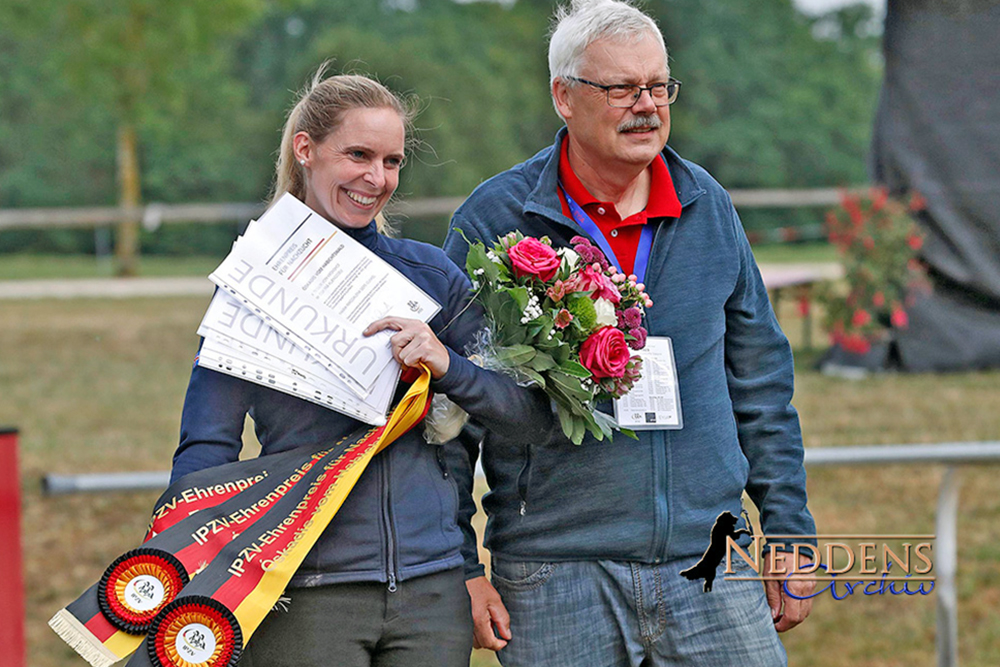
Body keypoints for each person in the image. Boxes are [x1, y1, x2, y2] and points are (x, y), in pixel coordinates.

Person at [443, 1, 817, 665]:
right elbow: (450, 407)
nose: (646, 105)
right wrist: (459, 563)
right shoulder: (495, 219)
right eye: (620, 88)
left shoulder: (709, 207)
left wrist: (788, 528)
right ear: (563, 96)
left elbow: (760, 378)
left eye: (658, 86)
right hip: (554, 571)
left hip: (707, 557)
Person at [170, 69, 551, 667]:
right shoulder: (251, 286)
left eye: (393, 161)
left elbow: (523, 417)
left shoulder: (433, 278)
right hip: (304, 594)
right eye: (358, 155)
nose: (376, 179)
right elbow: (206, 447)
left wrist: (446, 363)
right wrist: (183, 570)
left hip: (431, 596)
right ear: (306, 150)